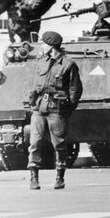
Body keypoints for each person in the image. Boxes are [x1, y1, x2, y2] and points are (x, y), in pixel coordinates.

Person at [24, 31, 82, 189]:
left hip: (57, 109)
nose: (41, 46)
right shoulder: (41, 62)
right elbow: (35, 85)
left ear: (51, 46)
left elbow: (75, 90)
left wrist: (67, 109)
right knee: (35, 142)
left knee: (59, 145)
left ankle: (59, 176)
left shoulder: (68, 64)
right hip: (39, 108)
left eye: (44, 43)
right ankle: (33, 177)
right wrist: (31, 101)